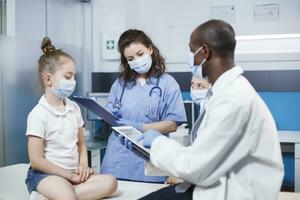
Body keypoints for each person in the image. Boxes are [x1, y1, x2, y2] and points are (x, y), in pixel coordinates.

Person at [128, 20, 284, 199]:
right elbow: (202, 157)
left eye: (190, 51)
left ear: (204, 52)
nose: (190, 58)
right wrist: (146, 150)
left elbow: (194, 167)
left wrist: (156, 142)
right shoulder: (225, 92)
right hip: (215, 185)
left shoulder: (233, 99)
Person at [25, 37, 117, 200]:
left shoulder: (73, 108)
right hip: (45, 175)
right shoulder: (38, 114)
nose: (73, 82)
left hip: (72, 174)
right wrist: (69, 176)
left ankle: (51, 197)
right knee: (66, 194)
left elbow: (81, 144)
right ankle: (57, 193)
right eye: (68, 76)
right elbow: (36, 161)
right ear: (48, 79)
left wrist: (83, 165)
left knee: (110, 183)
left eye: (74, 77)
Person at [100, 29, 187, 183]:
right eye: (130, 58)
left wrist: (138, 127)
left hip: (150, 158)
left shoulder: (168, 83)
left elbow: (172, 124)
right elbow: (111, 119)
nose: (137, 61)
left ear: (150, 49)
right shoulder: (120, 84)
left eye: (140, 54)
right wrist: (109, 116)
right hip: (117, 162)